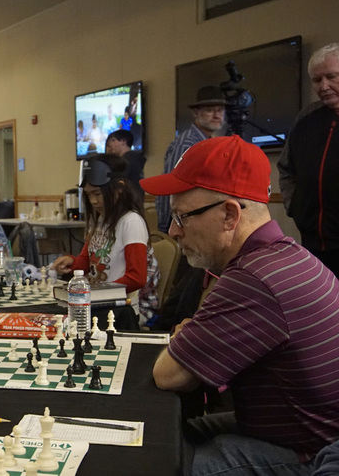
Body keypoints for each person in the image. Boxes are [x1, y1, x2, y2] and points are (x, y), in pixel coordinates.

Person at [140, 135, 339, 475]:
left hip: (308, 455)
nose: (174, 231)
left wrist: (185, 340)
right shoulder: (288, 256)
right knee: (159, 435)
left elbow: (169, 375)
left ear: (230, 215)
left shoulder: (255, 277)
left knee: (153, 462)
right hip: (300, 433)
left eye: (182, 217)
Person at [52, 154, 159, 328]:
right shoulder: (100, 220)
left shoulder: (131, 222)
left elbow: (137, 278)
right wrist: (72, 262)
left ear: (119, 188)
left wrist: (96, 293)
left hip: (122, 310)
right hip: (97, 303)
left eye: (97, 193)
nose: (93, 201)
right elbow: (85, 263)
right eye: (88, 195)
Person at [278, 43, 339, 277]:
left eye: (331, 77)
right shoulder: (306, 118)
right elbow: (286, 168)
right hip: (312, 244)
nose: (323, 86)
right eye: (316, 80)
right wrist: (295, 206)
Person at [156, 85, 226, 233]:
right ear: (195, 113)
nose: (216, 115)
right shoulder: (187, 144)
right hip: (182, 227)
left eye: (220, 110)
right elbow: (170, 188)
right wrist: (165, 228)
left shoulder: (206, 142)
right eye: (209, 110)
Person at [105, 129, 146, 205]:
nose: (110, 145)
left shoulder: (128, 160)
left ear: (124, 141)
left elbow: (116, 185)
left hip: (128, 205)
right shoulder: (134, 159)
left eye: (113, 140)